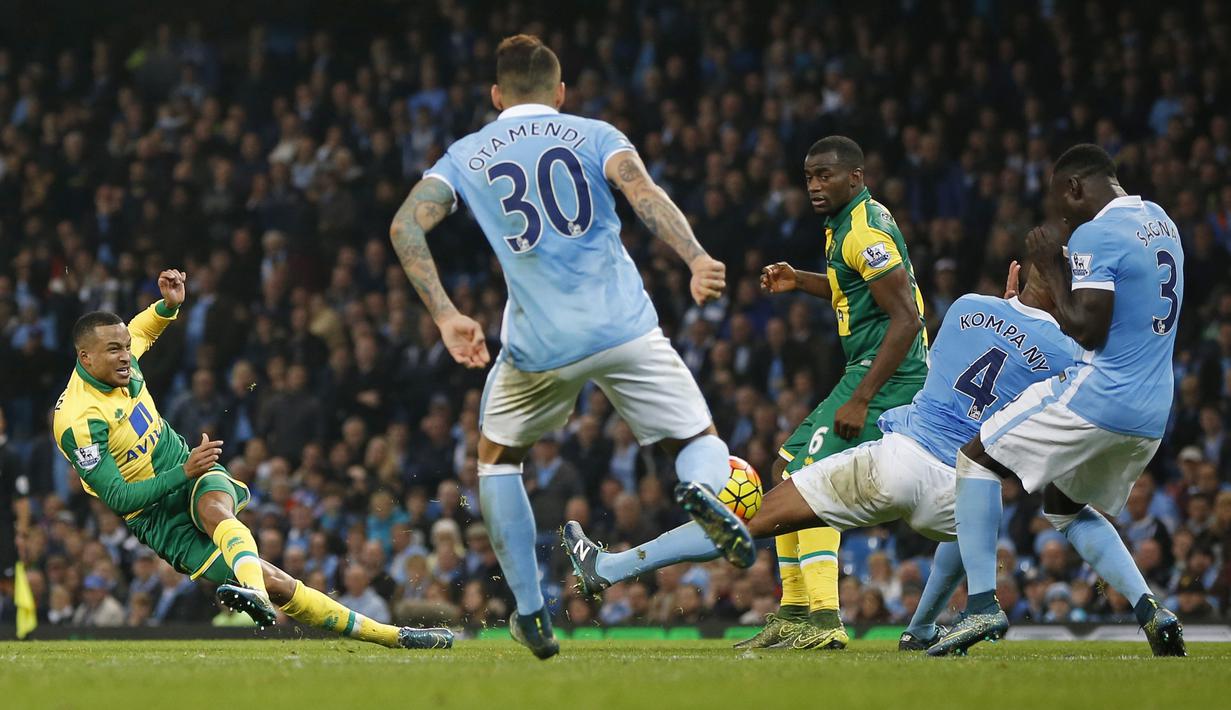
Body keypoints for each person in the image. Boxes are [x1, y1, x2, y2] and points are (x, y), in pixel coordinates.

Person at [389, 34, 751, 659]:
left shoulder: (465, 154)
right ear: (560, 92)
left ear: (496, 95)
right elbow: (643, 194)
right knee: (698, 439)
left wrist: (446, 315)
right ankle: (701, 489)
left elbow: (404, 226)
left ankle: (531, 612)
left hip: (539, 342)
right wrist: (695, 257)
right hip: (625, 327)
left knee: (498, 460)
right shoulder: (595, 133)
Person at [568, 263, 1079, 648]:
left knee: (749, 518)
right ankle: (923, 625)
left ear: (1020, 275)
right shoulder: (1067, 356)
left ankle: (612, 568)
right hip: (963, 489)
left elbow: (927, 330)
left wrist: (1006, 305)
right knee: (966, 530)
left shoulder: (970, 307)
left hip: (899, 459)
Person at [567, 136, 928, 651]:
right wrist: (800, 280)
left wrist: (863, 396)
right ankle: (797, 610)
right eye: (809, 177)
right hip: (868, 372)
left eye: (825, 175)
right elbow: (856, 288)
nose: (814, 186)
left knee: (802, 487)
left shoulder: (864, 230)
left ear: (856, 177)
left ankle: (823, 618)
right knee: (786, 471)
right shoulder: (846, 224)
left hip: (888, 379)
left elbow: (907, 318)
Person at [52, 269, 451, 651]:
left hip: (186, 467)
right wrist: (183, 471)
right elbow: (120, 499)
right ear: (86, 358)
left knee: (215, 511)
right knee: (278, 582)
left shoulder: (123, 359)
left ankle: (390, 636)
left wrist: (169, 305)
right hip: (156, 517)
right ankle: (380, 632)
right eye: (114, 350)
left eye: (125, 347)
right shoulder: (78, 421)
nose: (126, 355)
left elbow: (143, 329)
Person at [930, 144, 1187, 657]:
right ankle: (1151, 610)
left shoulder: (1096, 233)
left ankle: (981, 605)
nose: (1064, 221)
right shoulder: (1162, 222)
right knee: (1063, 507)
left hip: (1100, 396)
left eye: (1061, 205)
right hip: (1153, 410)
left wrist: (1051, 264)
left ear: (1074, 187)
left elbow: (1088, 330)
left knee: (976, 459)